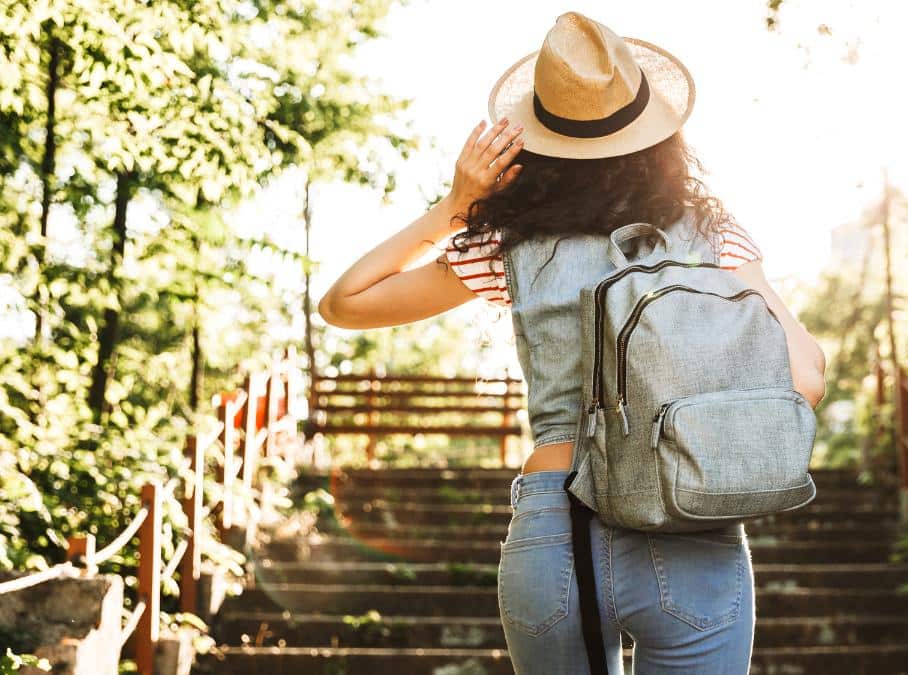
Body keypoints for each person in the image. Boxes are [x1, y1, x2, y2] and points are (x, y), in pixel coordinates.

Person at [318, 10, 826, 674]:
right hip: (689, 521)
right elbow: (806, 377)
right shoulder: (710, 233)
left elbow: (345, 303)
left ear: (537, 139)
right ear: (659, 134)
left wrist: (454, 206)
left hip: (556, 531)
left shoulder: (508, 243)